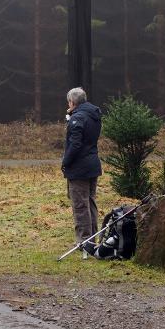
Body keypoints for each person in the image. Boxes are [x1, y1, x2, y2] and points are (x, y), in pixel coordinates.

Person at [61, 87, 102, 259]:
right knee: (90, 202)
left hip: (79, 167)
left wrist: (65, 162)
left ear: (72, 102)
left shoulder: (78, 118)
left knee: (80, 205)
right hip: (92, 164)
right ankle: (93, 239)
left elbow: (75, 144)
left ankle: (85, 242)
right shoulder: (93, 114)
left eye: (69, 102)